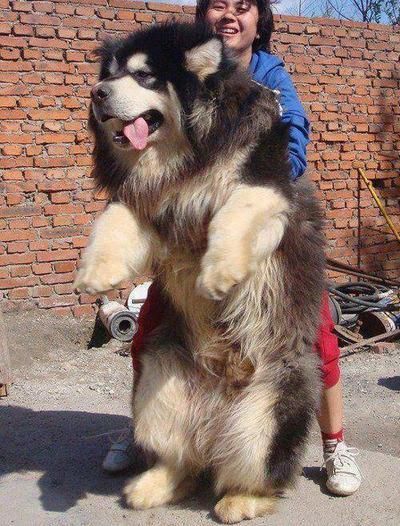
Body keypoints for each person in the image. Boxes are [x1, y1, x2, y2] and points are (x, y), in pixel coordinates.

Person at [102, 0, 362, 497]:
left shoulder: (270, 77)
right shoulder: (179, 70)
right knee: (151, 333)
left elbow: (292, 144)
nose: (229, 16)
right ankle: (151, 437)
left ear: (258, 20)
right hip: (187, 239)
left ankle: (334, 444)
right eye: (217, 5)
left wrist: (249, 191)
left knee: (317, 336)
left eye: (242, 7)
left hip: (264, 234)